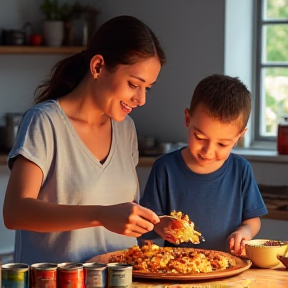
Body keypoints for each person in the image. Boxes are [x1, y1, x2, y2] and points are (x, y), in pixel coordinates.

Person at [3, 15, 166, 265]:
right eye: (134, 84)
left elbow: (119, 215)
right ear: (98, 66)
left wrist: (153, 223)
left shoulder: (126, 129)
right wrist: (101, 214)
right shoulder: (45, 122)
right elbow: (16, 212)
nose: (141, 99)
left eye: (149, 88)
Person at [140, 74, 268, 256]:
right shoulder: (165, 168)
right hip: (180, 270)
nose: (208, 151)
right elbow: (148, 224)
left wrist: (244, 232)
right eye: (200, 137)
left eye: (222, 144)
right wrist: (162, 226)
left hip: (228, 267)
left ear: (239, 136)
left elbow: (252, 220)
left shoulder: (241, 169)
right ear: (187, 119)